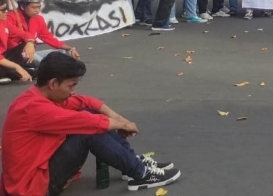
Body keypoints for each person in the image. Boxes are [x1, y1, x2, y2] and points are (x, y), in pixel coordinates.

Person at [1, 52, 181, 196]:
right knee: (87, 129)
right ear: (53, 83)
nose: (73, 91)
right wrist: (120, 125)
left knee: (89, 113)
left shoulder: (41, 95)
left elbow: (86, 102)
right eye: (71, 85)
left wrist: (121, 121)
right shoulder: (33, 108)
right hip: (30, 187)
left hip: (40, 169)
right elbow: (88, 123)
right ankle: (141, 173)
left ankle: (131, 163)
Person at [7, 0, 81, 63]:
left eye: (39, 7)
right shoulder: (10, 18)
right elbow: (11, 40)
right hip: (14, 55)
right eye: (34, 7)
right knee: (44, 62)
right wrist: (28, 43)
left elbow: (48, 37)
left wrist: (70, 48)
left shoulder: (38, 19)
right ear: (22, 7)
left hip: (32, 54)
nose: (37, 10)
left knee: (64, 53)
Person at [0, 0, 34, 84]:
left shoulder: (4, 22)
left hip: (3, 56)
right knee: (9, 69)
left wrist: (30, 43)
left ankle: (13, 72)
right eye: (3, 10)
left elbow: (24, 34)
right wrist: (16, 66)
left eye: (6, 8)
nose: (6, 12)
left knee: (23, 46)